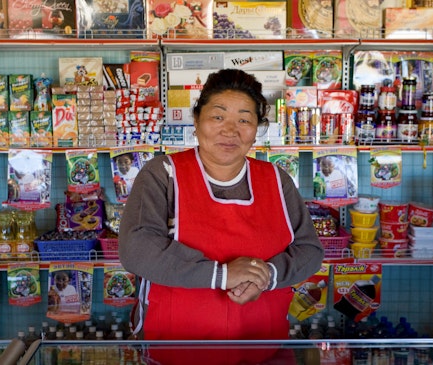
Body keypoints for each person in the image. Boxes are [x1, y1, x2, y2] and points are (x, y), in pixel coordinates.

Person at [119, 69, 324, 362]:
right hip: (178, 348)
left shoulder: (276, 180)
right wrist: (223, 275)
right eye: (218, 117)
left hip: (263, 346)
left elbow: (309, 250)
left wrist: (267, 276)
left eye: (244, 119)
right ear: (197, 121)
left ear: (257, 129)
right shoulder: (164, 174)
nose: (230, 130)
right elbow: (137, 250)